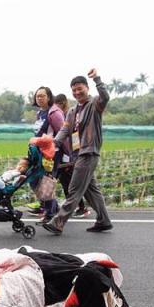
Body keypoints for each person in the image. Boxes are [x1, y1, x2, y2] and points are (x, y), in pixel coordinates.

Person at [41, 69, 112, 235]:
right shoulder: (72, 111)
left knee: (74, 189)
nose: (77, 92)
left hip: (89, 152)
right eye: (74, 90)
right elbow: (65, 131)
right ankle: (104, 220)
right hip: (77, 154)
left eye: (80, 88)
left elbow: (105, 97)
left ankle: (58, 222)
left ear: (87, 88)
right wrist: (52, 143)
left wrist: (97, 79)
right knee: (91, 190)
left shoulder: (95, 104)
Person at [27, 86, 65, 220]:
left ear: (49, 97)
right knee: (32, 179)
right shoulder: (40, 113)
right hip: (39, 152)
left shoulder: (54, 113)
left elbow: (63, 132)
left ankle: (50, 213)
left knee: (46, 182)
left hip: (51, 153)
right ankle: (52, 207)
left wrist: (67, 154)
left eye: (42, 96)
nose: (39, 98)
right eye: (37, 96)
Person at [52, 93, 89, 218]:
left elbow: (72, 138)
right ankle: (75, 206)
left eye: (57, 105)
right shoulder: (65, 114)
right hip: (65, 155)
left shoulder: (69, 115)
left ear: (62, 103)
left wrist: (71, 156)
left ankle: (81, 207)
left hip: (68, 155)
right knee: (65, 182)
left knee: (70, 183)